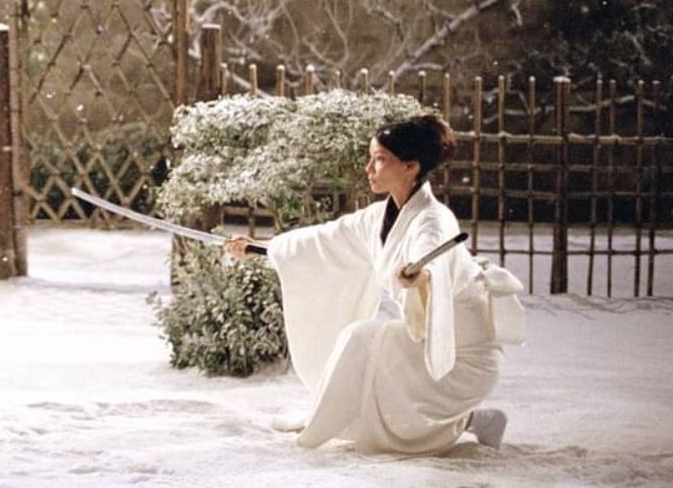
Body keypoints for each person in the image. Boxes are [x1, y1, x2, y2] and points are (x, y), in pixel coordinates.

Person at [225, 114, 525, 454]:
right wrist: (259, 248)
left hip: (459, 354)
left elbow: (430, 255)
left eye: (379, 160)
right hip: (425, 343)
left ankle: (317, 428)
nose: (369, 168)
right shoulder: (377, 217)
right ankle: (478, 421)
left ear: (410, 166)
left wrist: (421, 276)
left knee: (362, 339)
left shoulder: (433, 219)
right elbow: (321, 243)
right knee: (364, 369)